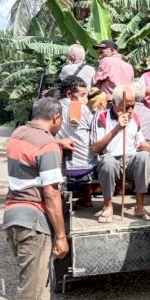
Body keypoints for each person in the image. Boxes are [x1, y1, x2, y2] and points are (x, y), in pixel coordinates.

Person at [3, 98, 69, 300]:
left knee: (41, 286)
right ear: (56, 118)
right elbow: (51, 194)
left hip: (13, 217)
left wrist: (58, 144)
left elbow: (32, 155)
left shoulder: (18, 134)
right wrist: (60, 236)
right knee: (30, 292)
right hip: (33, 223)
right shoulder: (47, 145)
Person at [91, 85, 150, 223]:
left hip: (130, 161)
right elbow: (95, 148)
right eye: (127, 107)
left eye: (133, 106)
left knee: (143, 156)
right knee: (108, 162)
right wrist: (117, 128)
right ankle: (108, 206)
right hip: (110, 161)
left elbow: (141, 143)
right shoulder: (101, 117)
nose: (130, 110)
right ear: (115, 104)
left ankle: (140, 206)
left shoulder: (134, 117)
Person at [56, 76, 98, 207]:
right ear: (69, 94)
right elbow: (95, 128)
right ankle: (87, 198)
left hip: (60, 167)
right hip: (87, 167)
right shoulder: (82, 109)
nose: (85, 99)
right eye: (82, 95)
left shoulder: (53, 109)